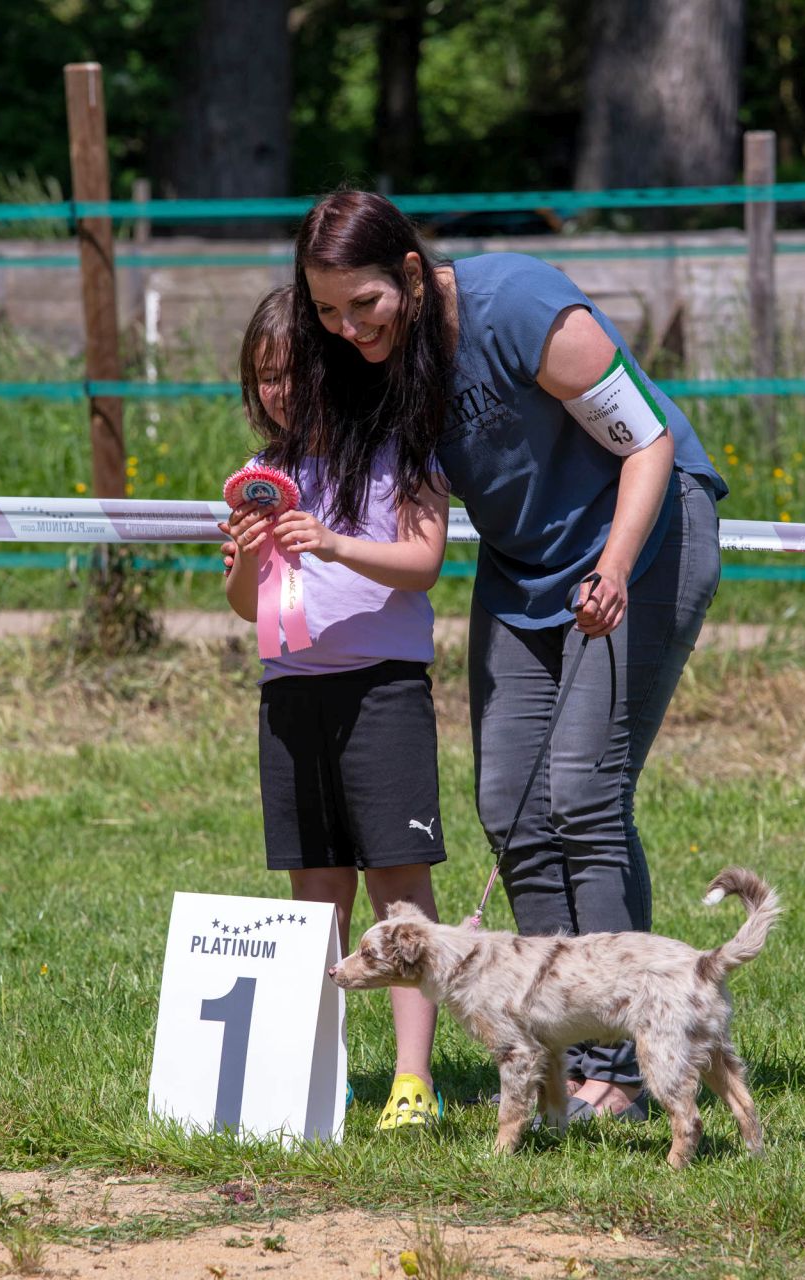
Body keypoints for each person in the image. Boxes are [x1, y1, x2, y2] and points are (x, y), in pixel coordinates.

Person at [282, 190, 727, 1122]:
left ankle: (625, 1066)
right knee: (508, 808)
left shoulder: (521, 307)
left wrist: (610, 569)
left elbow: (643, 442)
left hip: (645, 538)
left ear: (409, 270)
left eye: (362, 303)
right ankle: (559, 1051)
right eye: (326, 311)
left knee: (580, 795)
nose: (348, 328)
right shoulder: (382, 365)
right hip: (525, 569)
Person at [221, 285, 450, 1129]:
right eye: (264, 376)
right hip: (289, 697)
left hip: (381, 687)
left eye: (291, 370)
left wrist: (332, 540)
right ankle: (324, 1076)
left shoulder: (402, 445)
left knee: (398, 883)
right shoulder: (257, 478)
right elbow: (249, 607)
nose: (279, 390)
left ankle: (412, 1082)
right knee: (315, 890)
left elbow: (423, 563)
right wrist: (247, 558)